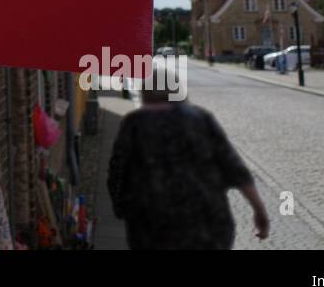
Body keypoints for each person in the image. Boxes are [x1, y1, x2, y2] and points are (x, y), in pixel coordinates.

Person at [108, 76, 270, 249]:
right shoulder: (200, 118)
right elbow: (234, 167)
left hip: (151, 224)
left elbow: (117, 171)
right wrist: (259, 209)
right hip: (207, 223)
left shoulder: (133, 123)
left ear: (144, 93)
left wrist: (122, 209)